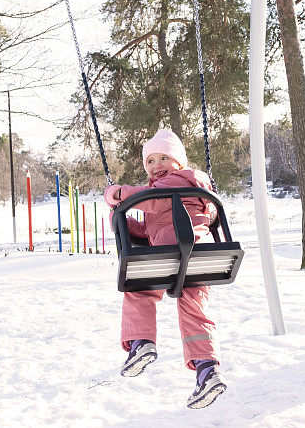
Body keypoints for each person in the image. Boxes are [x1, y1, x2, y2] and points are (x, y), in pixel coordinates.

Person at [104, 129, 225, 409]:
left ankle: (141, 342)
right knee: (195, 308)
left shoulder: (179, 182)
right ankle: (208, 369)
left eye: (164, 158)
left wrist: (117, 195)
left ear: (179, 163)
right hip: (198, 258)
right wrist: (124, 222)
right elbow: (149, 231)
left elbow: (148, 197)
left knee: (139, 288)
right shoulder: (165, 195)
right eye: (150, 161)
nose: (156, 165)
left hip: (179, 251)